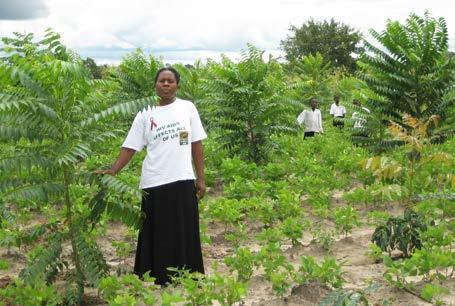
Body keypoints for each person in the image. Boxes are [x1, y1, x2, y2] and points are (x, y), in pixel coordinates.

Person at [96, 67, 206, 285]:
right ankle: (159, 276)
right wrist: (114, 169)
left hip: (183, 178)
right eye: (162, 81)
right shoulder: (145, 113)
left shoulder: (188, 108)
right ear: (155, 84)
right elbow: (130, 147)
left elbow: (196, 144)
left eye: (170, 81)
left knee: (185, 228)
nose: (166, 84)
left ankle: (188, 275)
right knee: (158, 230)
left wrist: (201, 178)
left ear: (178, 85)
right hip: (155, 180)